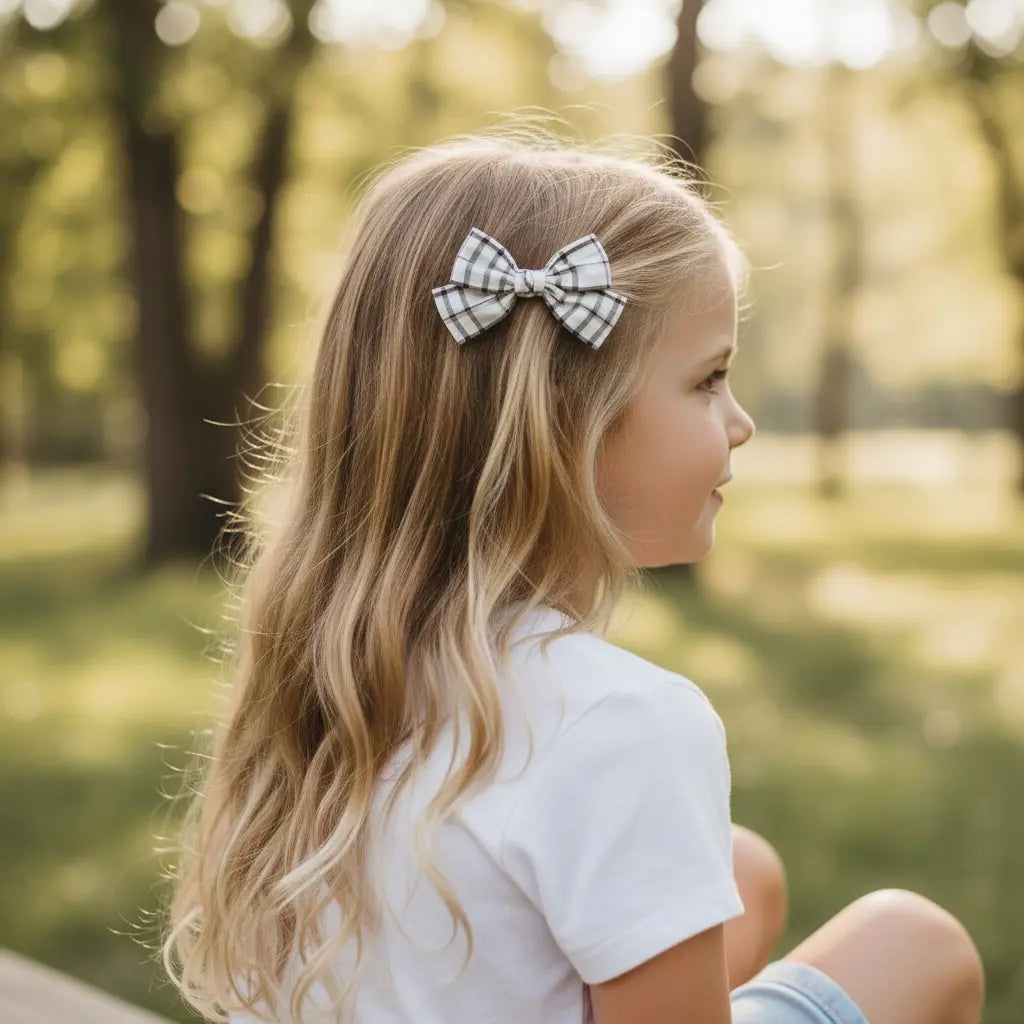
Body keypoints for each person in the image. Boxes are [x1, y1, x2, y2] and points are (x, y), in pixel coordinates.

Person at [161, 124, 986, 1024]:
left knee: (741, 871)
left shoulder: (335, 663)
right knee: (916, 942)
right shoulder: (621, 723)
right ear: (564, 424)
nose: (740, 422)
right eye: (709, 379)